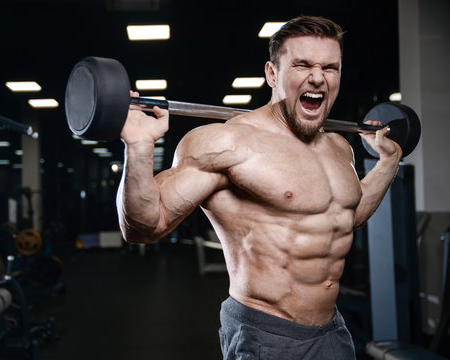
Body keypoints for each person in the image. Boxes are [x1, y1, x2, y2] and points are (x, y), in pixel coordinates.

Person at [116, 15, 401, 359]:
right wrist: (139, 145)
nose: (317, 77)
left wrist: (387, 164)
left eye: (330, 67)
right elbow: (145, 226)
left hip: (332, 330)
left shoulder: (340, 148)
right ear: (271, 73)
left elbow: (346, 217)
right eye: (302, 65)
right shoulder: (227, 143)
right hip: (266, 334)